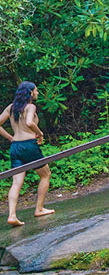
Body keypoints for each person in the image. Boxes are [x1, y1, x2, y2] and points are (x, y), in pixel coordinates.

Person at [0, 82, 54, 226]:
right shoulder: (30, 107)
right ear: (30, 93)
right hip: (29, 145)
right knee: (45, 174)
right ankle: (39, 209)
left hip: (15, 147)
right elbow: (29, 122)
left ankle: (12, 215)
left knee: (16, 182)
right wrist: (40, 133)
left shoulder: (11, 108)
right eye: (36, 91)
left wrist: (11, 138)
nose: (37, 93)